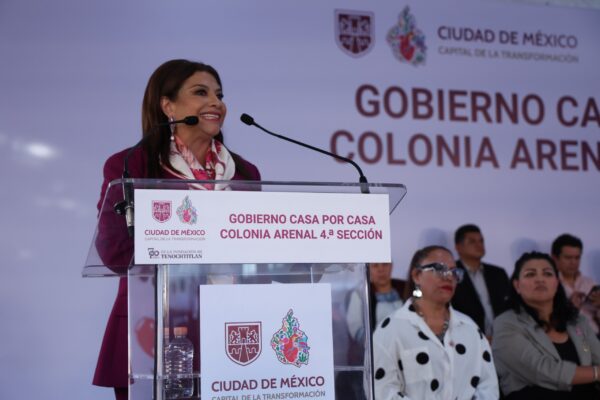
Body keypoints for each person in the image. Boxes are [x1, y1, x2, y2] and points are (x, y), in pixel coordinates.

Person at [92, 59, 261, 400]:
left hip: (232, 329)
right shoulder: (132, 165)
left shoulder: (245, 173)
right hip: (152, 328)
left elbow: (258, 252)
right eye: (201, 92)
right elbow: (114, 252)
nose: (216, 103)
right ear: (168, 106)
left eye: (219, 95)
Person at [373, 246, 499, 399]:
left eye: (454, 272)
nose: (449, 277)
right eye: (439, 269)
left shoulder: (470, 328)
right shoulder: (391, 329)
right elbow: (383, 390)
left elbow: (488, 386)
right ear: (417, 275)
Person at [492, 251, 600, 399]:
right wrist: (596, 372)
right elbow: (542, 371)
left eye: (547, 274)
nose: (540, 279)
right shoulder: (506, 322)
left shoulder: (576, 321)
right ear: (517, 285)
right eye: (530, 274)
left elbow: (596, 355)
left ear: (556, 283)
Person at [451, 224, 510, 337]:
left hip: (502, 337)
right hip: (467, 338)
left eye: (481, 241)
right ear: (458, 247)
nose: (479, 245)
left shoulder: (498, 273)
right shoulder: (451, 274)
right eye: (472, 241)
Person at [552, 233, 600, 334]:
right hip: (568, 336)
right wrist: (570, 306)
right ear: (555, 258)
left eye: (577, 258)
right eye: (568, 258)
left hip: (595, 335)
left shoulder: (589, 282)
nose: (573, 262)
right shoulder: (549, 284)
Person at [346, 262, 406, 342]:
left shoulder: (405, 291)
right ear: (368, 269)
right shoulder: (360, 294)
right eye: (375, 266)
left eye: (385, 264)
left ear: (391, 266)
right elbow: (356, 329)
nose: (381, 270)